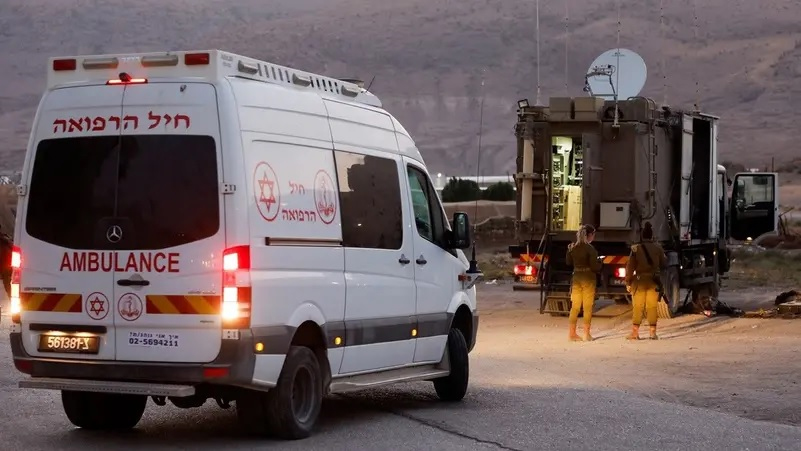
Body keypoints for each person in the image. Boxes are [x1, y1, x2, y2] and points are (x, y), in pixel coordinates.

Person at [624, 221, 668, 340]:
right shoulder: (658, 248)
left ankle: (635, 333)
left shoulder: (636, 249)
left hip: (639, 281)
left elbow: (630, 267)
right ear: (652, 235)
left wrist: (628, 282)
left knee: (638, 307)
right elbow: (664, 264)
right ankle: (652, 333)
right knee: (652, 307)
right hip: (653, 281)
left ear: (642, 236)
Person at [566, 224, 602, 342]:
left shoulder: (573, 248)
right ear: (589, 235)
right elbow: (595, 267)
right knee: (587, 307)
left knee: (575, 307)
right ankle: (586, 334)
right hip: (588, 279)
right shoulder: (590, 249)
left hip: (576, 278)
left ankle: (572, 334)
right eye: (593, 235)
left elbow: (568, 262)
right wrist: (600, 263)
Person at [0, 224, 12, 298]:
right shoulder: (6, 238)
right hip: (8, 266)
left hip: (5, 267)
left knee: (7, 286)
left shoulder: (4, 239)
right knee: (8, 286)